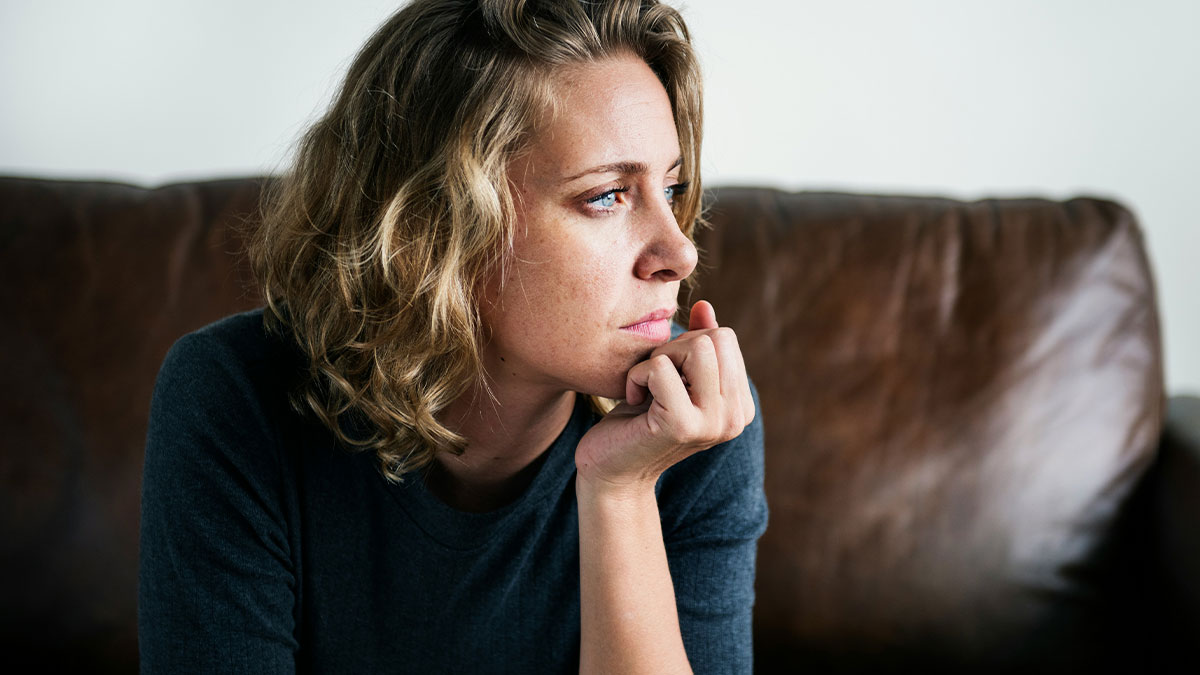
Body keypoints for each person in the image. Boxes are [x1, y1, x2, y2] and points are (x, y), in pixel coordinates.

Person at [138, 0, 767, 672]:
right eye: (607, 195)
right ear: (439, 225)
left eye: (671, 189)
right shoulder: (234, 397)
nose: (680, 251)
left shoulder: (694, 423)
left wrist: (620, 490)